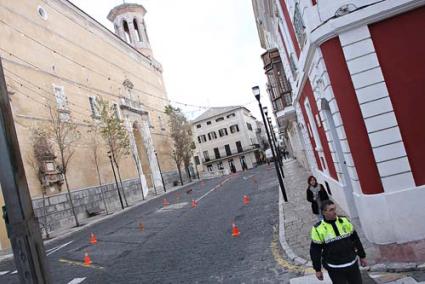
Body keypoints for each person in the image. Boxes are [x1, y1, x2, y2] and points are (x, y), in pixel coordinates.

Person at [310, 200, 367, 283]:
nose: (335, 212)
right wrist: (317, 269)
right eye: (331, 210)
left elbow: (355, 240)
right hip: (334, 268)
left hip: (352, 264)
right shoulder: (318, 229)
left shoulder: (344, 221)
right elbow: (315, 251)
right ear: (323, 212)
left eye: (335, 209)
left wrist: (362, 256)